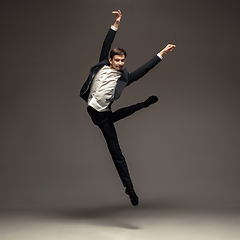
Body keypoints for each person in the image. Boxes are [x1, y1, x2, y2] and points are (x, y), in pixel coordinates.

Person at [80, 10, 176, 206]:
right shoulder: (101, 66)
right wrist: (116, 23)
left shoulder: (124, 77)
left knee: (116, 152)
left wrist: (161, 54)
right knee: (115, 116)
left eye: (123, 61)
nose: (121, 64)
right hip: (91, 108)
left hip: (103, 116)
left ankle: (130, 189)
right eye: (118, 60)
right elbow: (106, 44)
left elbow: (144, 69)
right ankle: (144, 104)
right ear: (111, 60)